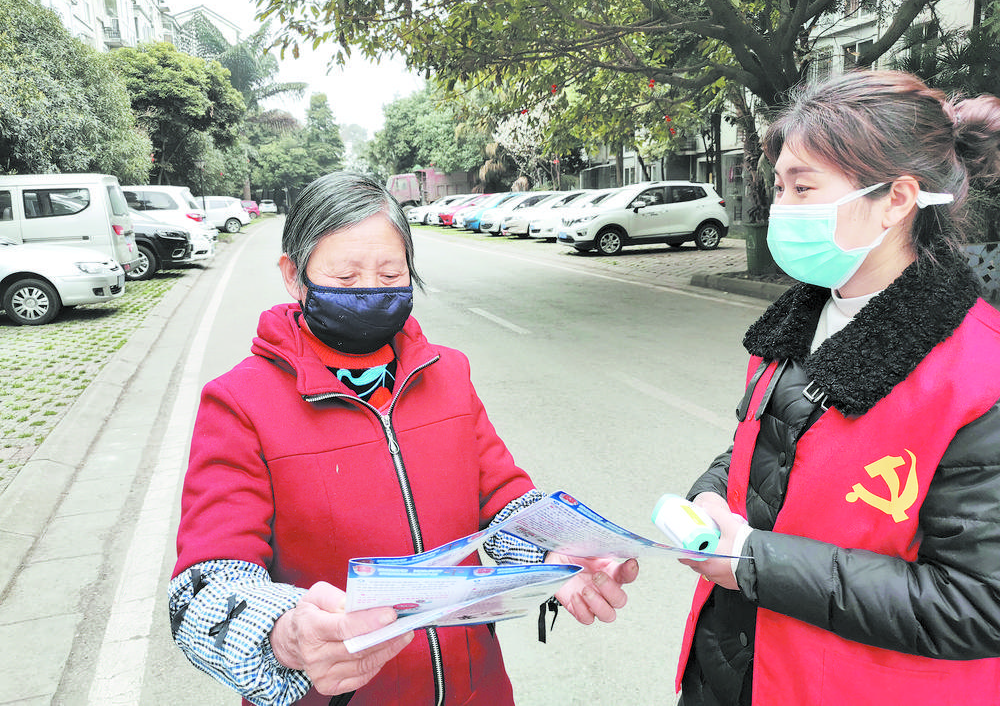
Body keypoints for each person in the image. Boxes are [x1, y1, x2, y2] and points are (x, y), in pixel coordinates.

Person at [168, 171, 639, 706]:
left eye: (391, 275)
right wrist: (286, 635)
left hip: (476, 691)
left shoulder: (449, 374)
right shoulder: (239, 404)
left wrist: (559, 548)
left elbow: (505, 503)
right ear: (294, 277)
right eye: (346, 278)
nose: (370, 290)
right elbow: (206, 585)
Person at [675, 70, 1000, 705]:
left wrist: (753, 562)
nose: (779, 209)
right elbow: (764, 451)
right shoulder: (797, 320)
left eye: (804, 189)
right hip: (737, 665)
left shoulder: (978, 375)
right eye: (778, 186)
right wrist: (710, 497)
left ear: (897, 199)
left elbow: (978, 601)